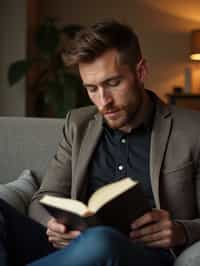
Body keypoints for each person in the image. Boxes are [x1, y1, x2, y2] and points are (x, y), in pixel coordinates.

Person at [0, 19, 200, 266]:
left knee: (102, 240)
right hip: (70, 249)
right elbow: (44, 197)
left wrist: (181, 230)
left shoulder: (192, 130)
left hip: (141, 255)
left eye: (112, 84)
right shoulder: (78, 124)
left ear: (141, 72)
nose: (103, 101)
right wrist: (53, 225)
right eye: (91, 88)